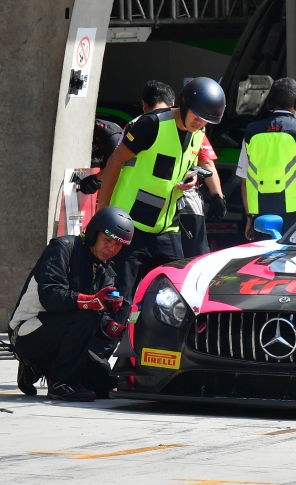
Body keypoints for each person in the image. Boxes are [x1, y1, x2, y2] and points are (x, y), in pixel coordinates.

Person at [95, 77, 226, 339]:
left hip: (167, 227)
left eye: (206, 121)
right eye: (198, 116)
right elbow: (114, 164)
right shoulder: (151, 125)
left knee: (179, 294)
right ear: (185, 103)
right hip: (129, 226)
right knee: (119, 299)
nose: (200, 123)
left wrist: (194, 178)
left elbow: (182, 167)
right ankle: (99, 359)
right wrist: (103, 214)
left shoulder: (198, 133)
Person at [9, 207, 134, 401]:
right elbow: (50, 296)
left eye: (119, 245)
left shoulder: (105, 269)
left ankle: (38, 367)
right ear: (94, 233)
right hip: (26, 332)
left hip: (62, 332)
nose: (112, 248)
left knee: (106, 386)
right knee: (86, 315)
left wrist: (118, 329)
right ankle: (60, 382)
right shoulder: (62, 247)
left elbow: (100, 316)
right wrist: (92, 302)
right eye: (108, 240)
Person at [237, 77, 296, 239]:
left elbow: (244, 182)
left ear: (270, 103)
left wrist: (249, 217)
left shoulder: (251, 132)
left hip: (261, 220)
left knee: (264, 263)